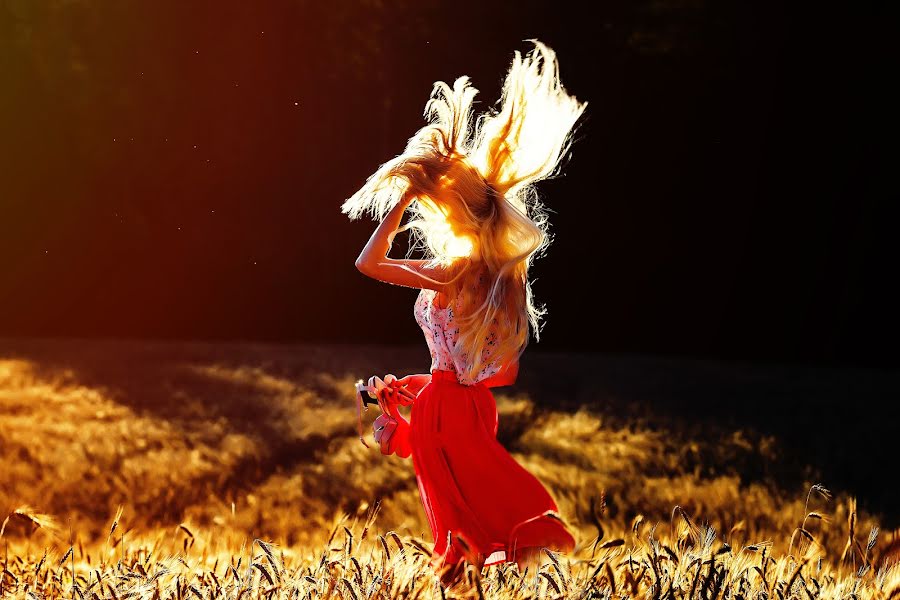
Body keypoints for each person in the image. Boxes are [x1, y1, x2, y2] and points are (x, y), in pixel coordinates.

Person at [341, 39, 586, 590]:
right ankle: (490, 569)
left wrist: (400, 199)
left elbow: (368, 263)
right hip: (454, 403)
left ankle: (479, 568)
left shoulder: (457, 272)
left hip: (450, 407)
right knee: (459, 500)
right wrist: (406, 388)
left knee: (458, 507)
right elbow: (459, 363)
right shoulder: (473, 270)